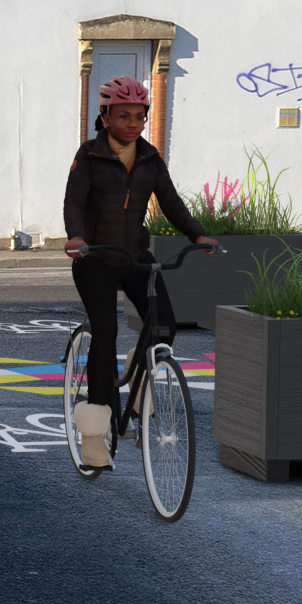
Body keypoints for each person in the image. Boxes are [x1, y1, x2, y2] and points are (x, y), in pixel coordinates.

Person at [60, 76, 200, 469]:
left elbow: (171, 202)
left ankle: (139, 389)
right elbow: (74, 202)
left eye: (140, 116)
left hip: (135, 258)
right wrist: (76, 237)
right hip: (95, 259)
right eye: (125, 116)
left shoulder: (150, 158)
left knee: (165, 325)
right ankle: (92, 436)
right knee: (105, 335)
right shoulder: (88, 156)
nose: (134, 123)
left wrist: (198, 234)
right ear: (105, 116)